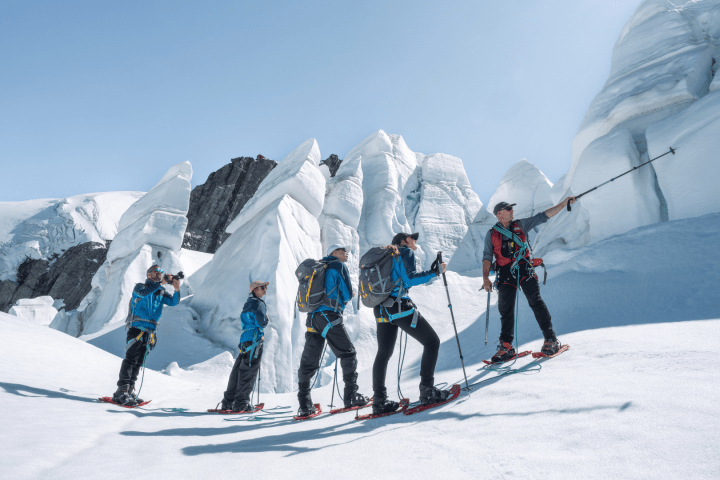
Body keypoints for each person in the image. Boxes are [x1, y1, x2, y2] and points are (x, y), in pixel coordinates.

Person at [482, 198, 576, 361]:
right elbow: (487, 258)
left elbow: (543, 216)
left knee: (535, 302)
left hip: (524, 267)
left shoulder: (521, 225)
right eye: (508, 208)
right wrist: (485, 279)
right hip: (505, 273)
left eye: (512, 208)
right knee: (505, 309)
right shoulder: (491, 234)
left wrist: (563, 204)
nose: (512, 210)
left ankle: (551, 340)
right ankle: (506, 346)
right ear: (499, 213)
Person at [371, 232, 448, 414]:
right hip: (399, 306)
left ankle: (379, 401)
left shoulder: (384, 256)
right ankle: (427, 391)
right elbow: (409, 279)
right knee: (432, 342)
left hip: (381, 308)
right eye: (413, 238)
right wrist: (435, 272)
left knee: (383, 353)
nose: (415, 241)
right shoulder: (404, 252)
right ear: (404, 241)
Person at [296, 244, 369, 416]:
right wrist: (339, 304)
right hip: (329, 315)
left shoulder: (316, 268)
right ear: (334, 253)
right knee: (348, 353)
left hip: (312, 318)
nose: (346, 253)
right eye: (343, 250)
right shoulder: (337, 265)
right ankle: (351, 396)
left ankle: (304, 405)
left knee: (309, 362)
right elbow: (347, 292)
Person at [112, 265, 181, 406]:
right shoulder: (139, 288)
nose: (157, 277)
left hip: (150, 333)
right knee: (130, 359)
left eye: (159, 274)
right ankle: (121, 390)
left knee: (138, 362)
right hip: (136, 330)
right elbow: (145, 294)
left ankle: (130, 390)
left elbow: (174, 302)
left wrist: (177, 289)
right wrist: (161, 283)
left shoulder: (160, 292)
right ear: (148, 275)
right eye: (155, 274)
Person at [219, 280, 270, 412]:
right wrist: (266, 320)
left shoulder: (248, 303)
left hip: (245, 338)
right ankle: (241, 403)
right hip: (254, 338)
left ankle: (228, 402)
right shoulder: (259, 303)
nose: (265, 289)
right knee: (249, 371)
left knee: (238, 370)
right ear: (255, 290)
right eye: (262, 287)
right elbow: (261, 322)